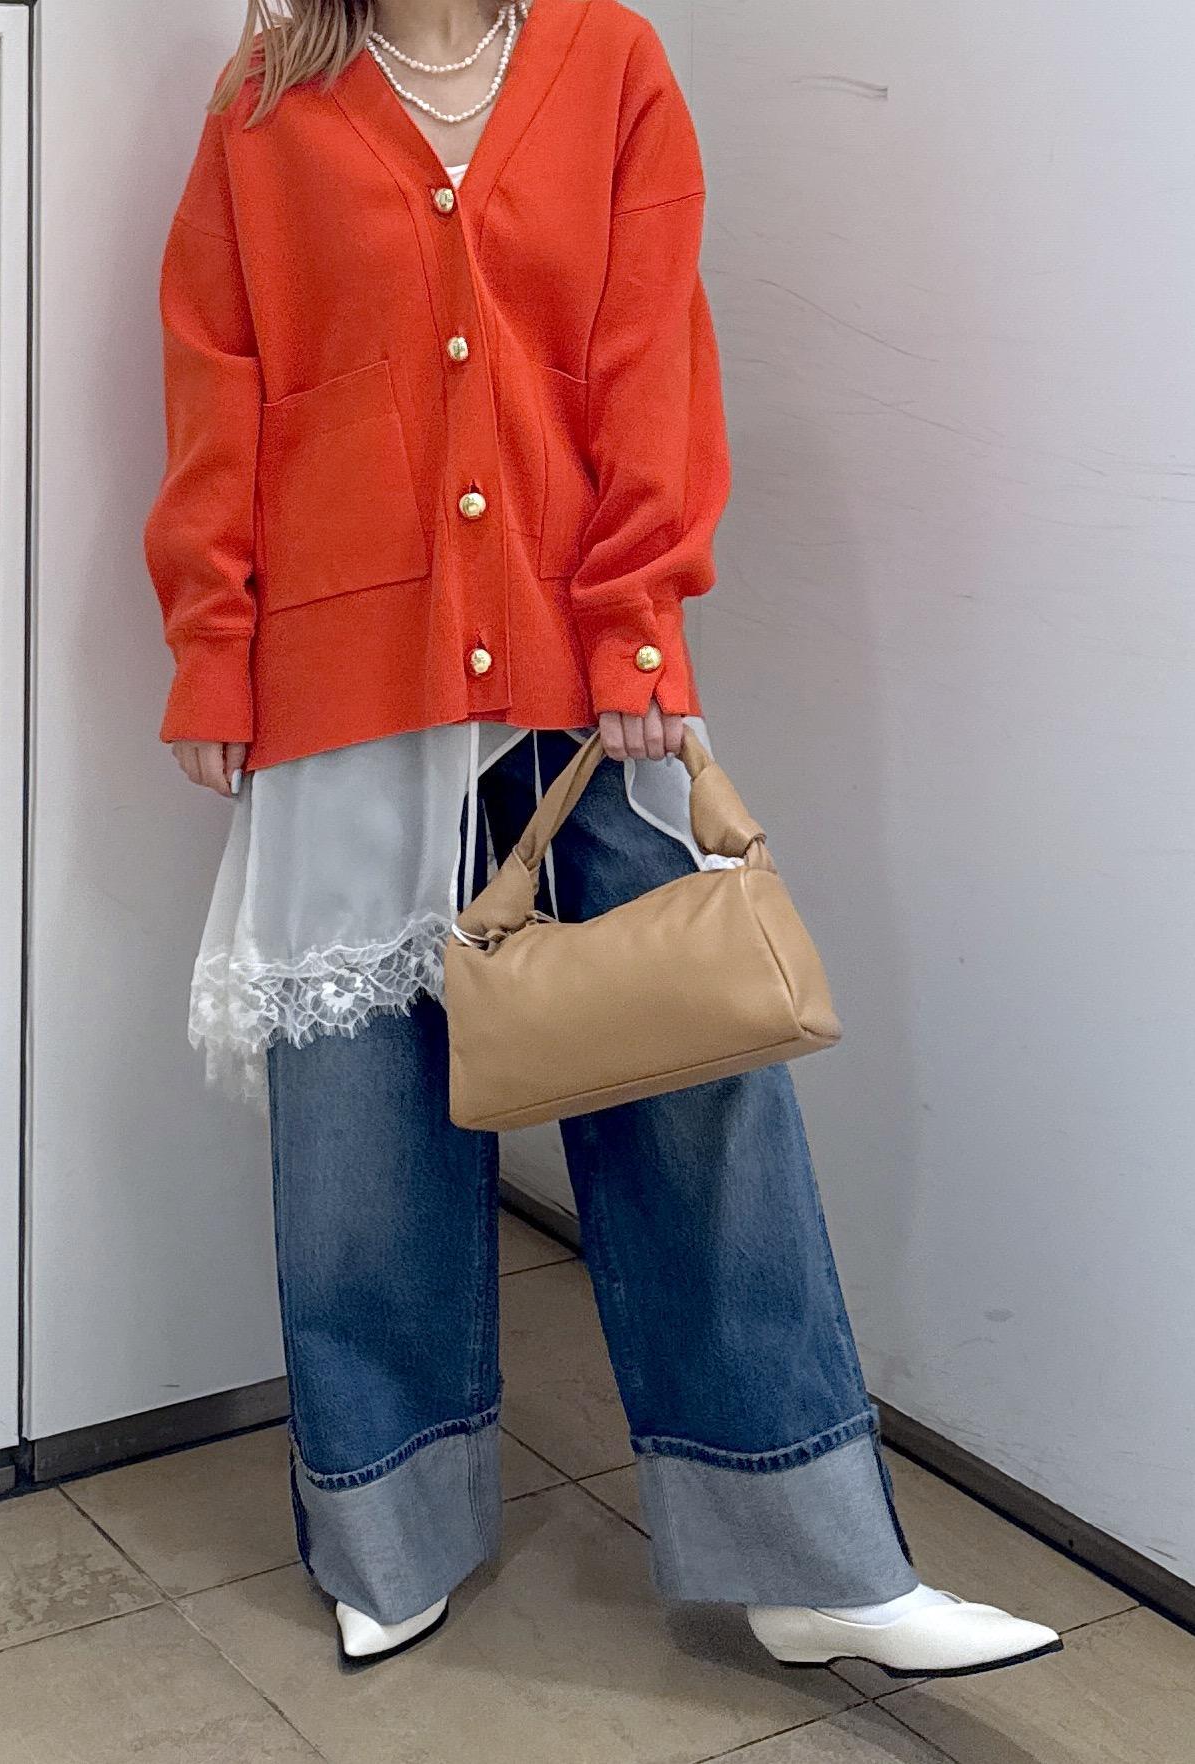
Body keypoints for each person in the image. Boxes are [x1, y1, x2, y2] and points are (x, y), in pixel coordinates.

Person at [143, 0, 1060, 1678]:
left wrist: (639, 623)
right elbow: (221, 379)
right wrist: (215, 645)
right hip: (347, 665)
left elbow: (651, 354)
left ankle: (807, 1553)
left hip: (578, 675)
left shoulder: (611, 61)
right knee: (359, 1120)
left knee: (696, 1085)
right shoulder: (267, 99)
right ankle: (387, 1524)